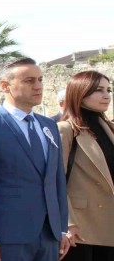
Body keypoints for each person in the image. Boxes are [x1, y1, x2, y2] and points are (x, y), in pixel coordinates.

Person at [0, 57, 70, 261]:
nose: (38, 86)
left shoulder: (48, 125)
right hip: (6, 237)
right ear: (5, 86)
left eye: (39, 79)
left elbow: (57, 181)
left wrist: (62, 229)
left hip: (49, 236)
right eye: (29, 81)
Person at [57, 71, 114, 260]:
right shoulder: (66, 129)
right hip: (81, 228)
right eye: (98, 90)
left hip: (108, 221)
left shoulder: (109, 128)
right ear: (80, 93)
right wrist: (68, 222)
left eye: (108, 89)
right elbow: (56, 180)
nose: (107, 95)